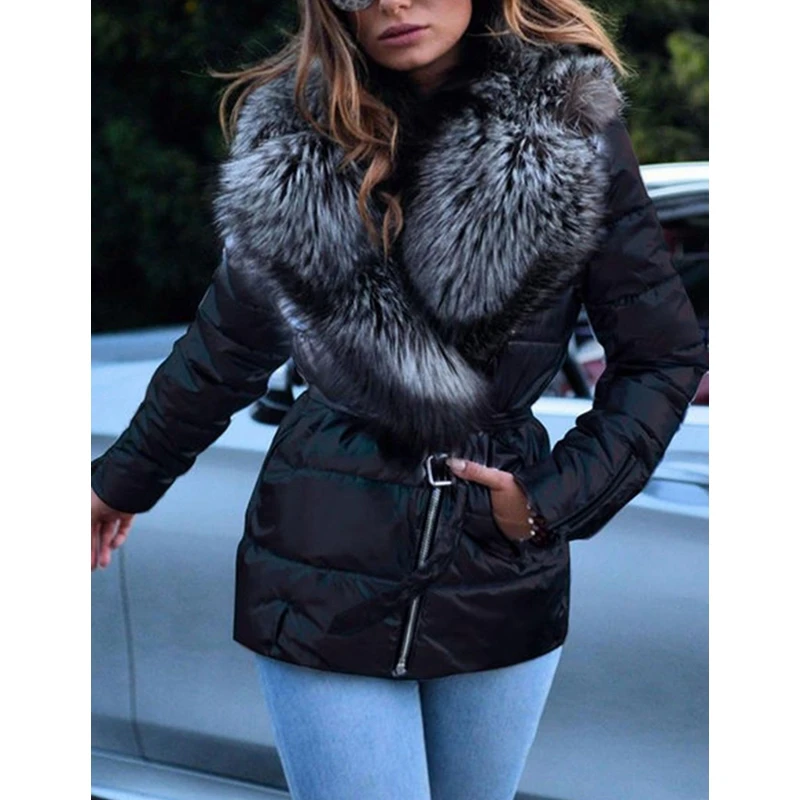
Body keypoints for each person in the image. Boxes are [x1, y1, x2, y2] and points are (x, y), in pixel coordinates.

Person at [90, 1, 710, 798]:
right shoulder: (296, 143)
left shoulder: (568, 129)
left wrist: (547, 503)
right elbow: (227, 347)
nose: (391, 1)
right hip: (323, 551)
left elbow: (661, 357)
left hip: (496, 565)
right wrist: (119, 483)